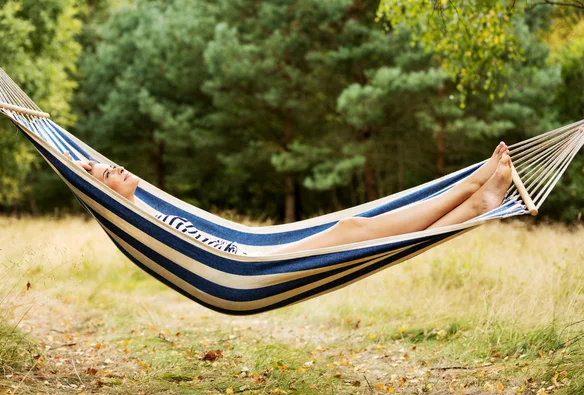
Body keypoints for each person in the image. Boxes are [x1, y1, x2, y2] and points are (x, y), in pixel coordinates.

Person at [64, 142, 513, 256]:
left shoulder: (149, 206)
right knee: (351, 229)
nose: (118, 169)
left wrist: (90, 168)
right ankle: (468, 191)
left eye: (114, 165)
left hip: (251, 253)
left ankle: (473, 202)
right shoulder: (135, 216)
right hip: (248, 269)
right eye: (110, 173)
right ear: (106, 193)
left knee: (353, 228)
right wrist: (84, 174)